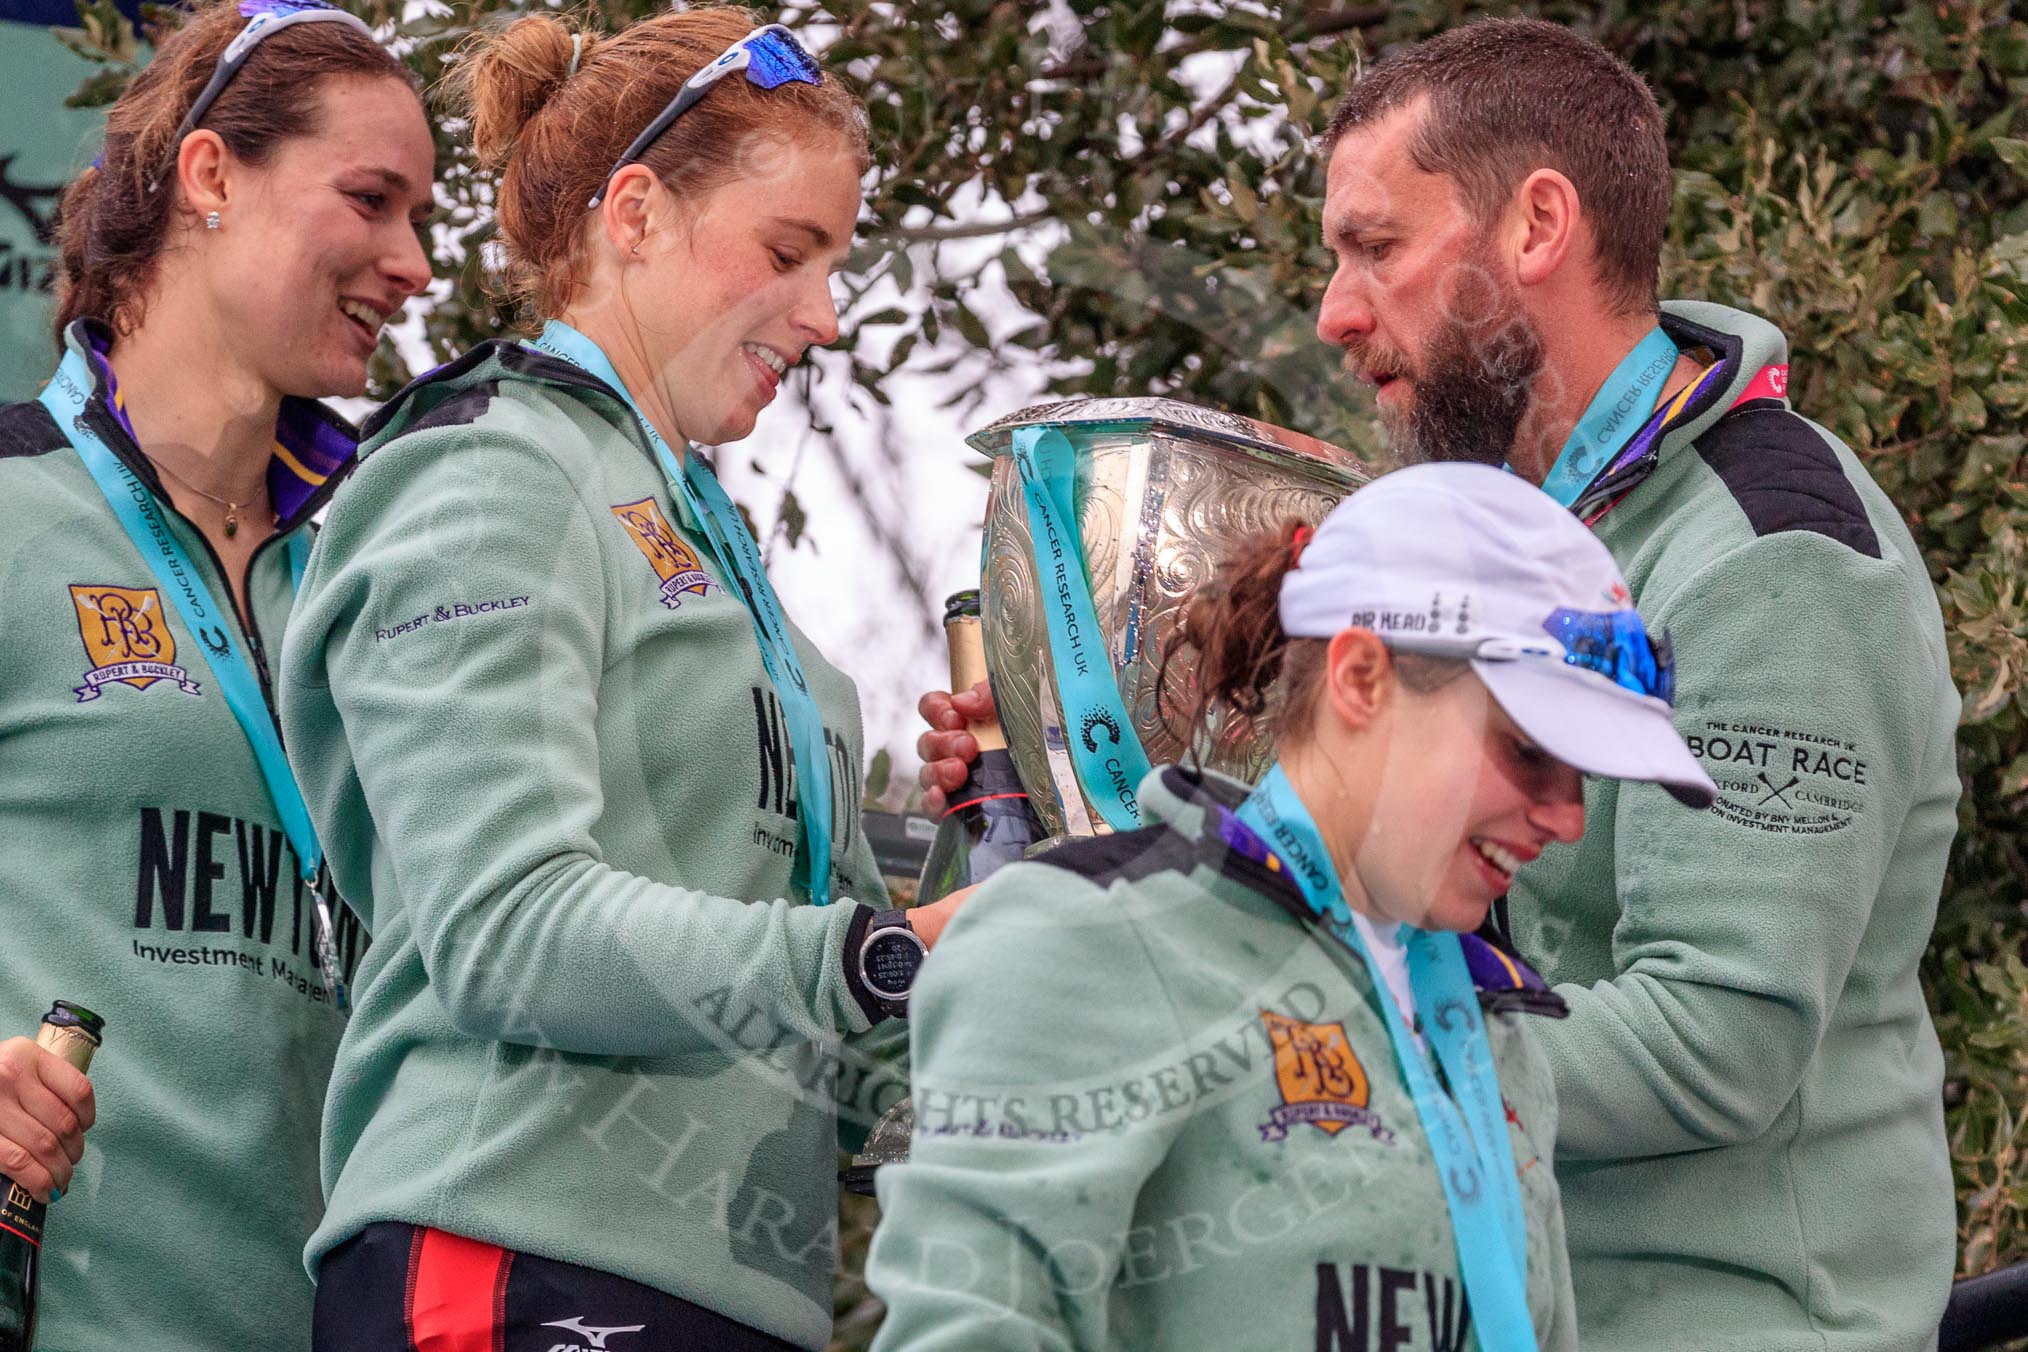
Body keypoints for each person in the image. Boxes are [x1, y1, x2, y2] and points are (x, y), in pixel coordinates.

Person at [921, 18, 1960, 1349]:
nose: (1334, 312)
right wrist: (1096, 787)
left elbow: (1719, 1042)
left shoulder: (1776, 558)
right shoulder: (1499, 531)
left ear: (1538, 227)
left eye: (1377, 247)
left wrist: (1277, 1038)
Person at [276, 13, 959, 1351]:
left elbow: (853, 1046)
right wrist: (879, 959)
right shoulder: (490, 471)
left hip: (740, 1291)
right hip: (515, 1251)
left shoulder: (705, 535)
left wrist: (1012, 881)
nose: (823, 316)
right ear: (635, 213)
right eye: (787, 252)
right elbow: (505, 932)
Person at [869, 462, 1717, 1351]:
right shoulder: (1089, 935)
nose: (1568, 819)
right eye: (1532, 751)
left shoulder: (1493, 1027)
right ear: (1360, 679)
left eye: (1588, 773)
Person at [0, 0, 433, 1346]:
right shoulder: (12, 506)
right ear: (210, 176)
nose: (411, 263)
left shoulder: (388, 566)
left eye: (423, 218)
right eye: (371, 199)